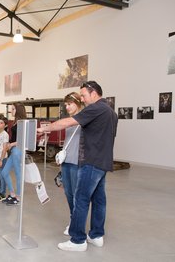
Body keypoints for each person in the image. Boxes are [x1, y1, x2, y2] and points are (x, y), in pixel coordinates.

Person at [37, 81, 118, 252]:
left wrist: (45, 129)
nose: (82, 98)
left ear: (94, 93)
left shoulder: (95, 108)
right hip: (103, 162)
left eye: (83, 95)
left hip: (90, 162)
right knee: (99, 200)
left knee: (80, 200)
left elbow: (67, 123)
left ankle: (78, 240)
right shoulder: (111, 112)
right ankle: (96, 235)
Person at [60, 92, 83, 236]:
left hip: (77, 162)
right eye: (66, 105)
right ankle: (73, 220)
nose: (67, 107)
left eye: (70, 104)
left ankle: (77, 225)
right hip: (66, 161)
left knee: (77, 195)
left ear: (78, 103)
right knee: (68, 194)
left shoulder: (84, 119)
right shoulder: (69, 120)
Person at [1, 103, 27, 206]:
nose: (11, 111)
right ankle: (12, 194)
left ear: (18, 110)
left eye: (13, 109)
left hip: (18, 151)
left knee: (18, 174)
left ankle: (18, 197)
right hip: (14, 150)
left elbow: (22, 139)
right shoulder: (16, 122)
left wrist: (11, 144)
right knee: (4, 172)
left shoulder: (22, 122)